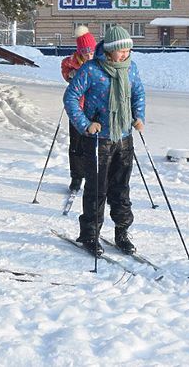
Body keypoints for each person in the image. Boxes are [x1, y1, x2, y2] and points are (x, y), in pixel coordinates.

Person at [63, 25, 146, 256]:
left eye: (128, 50)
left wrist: (138, 115)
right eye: (121, 50)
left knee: (121, 189)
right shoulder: (91, 69)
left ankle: (122, 232)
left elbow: (138, 93)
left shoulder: (131, 68)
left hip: (124, 138)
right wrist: (85, 124)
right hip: (99, 139)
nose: (125, 54)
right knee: (97, 189)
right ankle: (90, 234)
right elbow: (70, 97)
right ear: (109, 50)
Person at [61, 25, 97, 192]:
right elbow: (65, 68)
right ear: (79, 51)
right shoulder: (72, 62)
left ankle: (93, 175)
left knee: (93, 144)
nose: (89, 55)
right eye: (85, 52)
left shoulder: (99, 62)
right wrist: (70, 76)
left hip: (96, 109)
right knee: (76, 144)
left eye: (91, 52)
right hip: (77, 109)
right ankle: (76, 177)